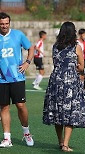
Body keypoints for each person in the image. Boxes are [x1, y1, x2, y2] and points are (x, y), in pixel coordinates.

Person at [43, 22, 85, 152]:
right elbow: (81, 66)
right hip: (71, 81)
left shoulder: (55, 46)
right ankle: (66, 145)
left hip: (56, 79)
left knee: (57, 111)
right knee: (70, 111)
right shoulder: (76, 47)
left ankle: (60, 141)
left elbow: (55, 62)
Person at [0, 12, 34, 147]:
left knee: (20, 106)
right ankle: (7, 138)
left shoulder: (18, 34)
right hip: (1, 79)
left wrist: (27, 62)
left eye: (6, 23)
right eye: (2, 24)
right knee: (4, 107)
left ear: (10, 23)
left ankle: (26, 132)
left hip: (17, 77)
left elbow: (31, 47)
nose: (4, 26)